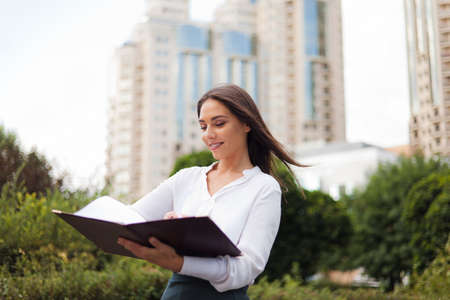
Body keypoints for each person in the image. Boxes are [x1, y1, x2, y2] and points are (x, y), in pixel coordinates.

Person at [117, 84, 304, 299]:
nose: (209, 135)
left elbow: (248, 267)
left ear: (246, 123)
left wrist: (180, 262)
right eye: (203, 127)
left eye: (219, 124)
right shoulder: (186, 178)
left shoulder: (263, 187)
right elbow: (131, 219)